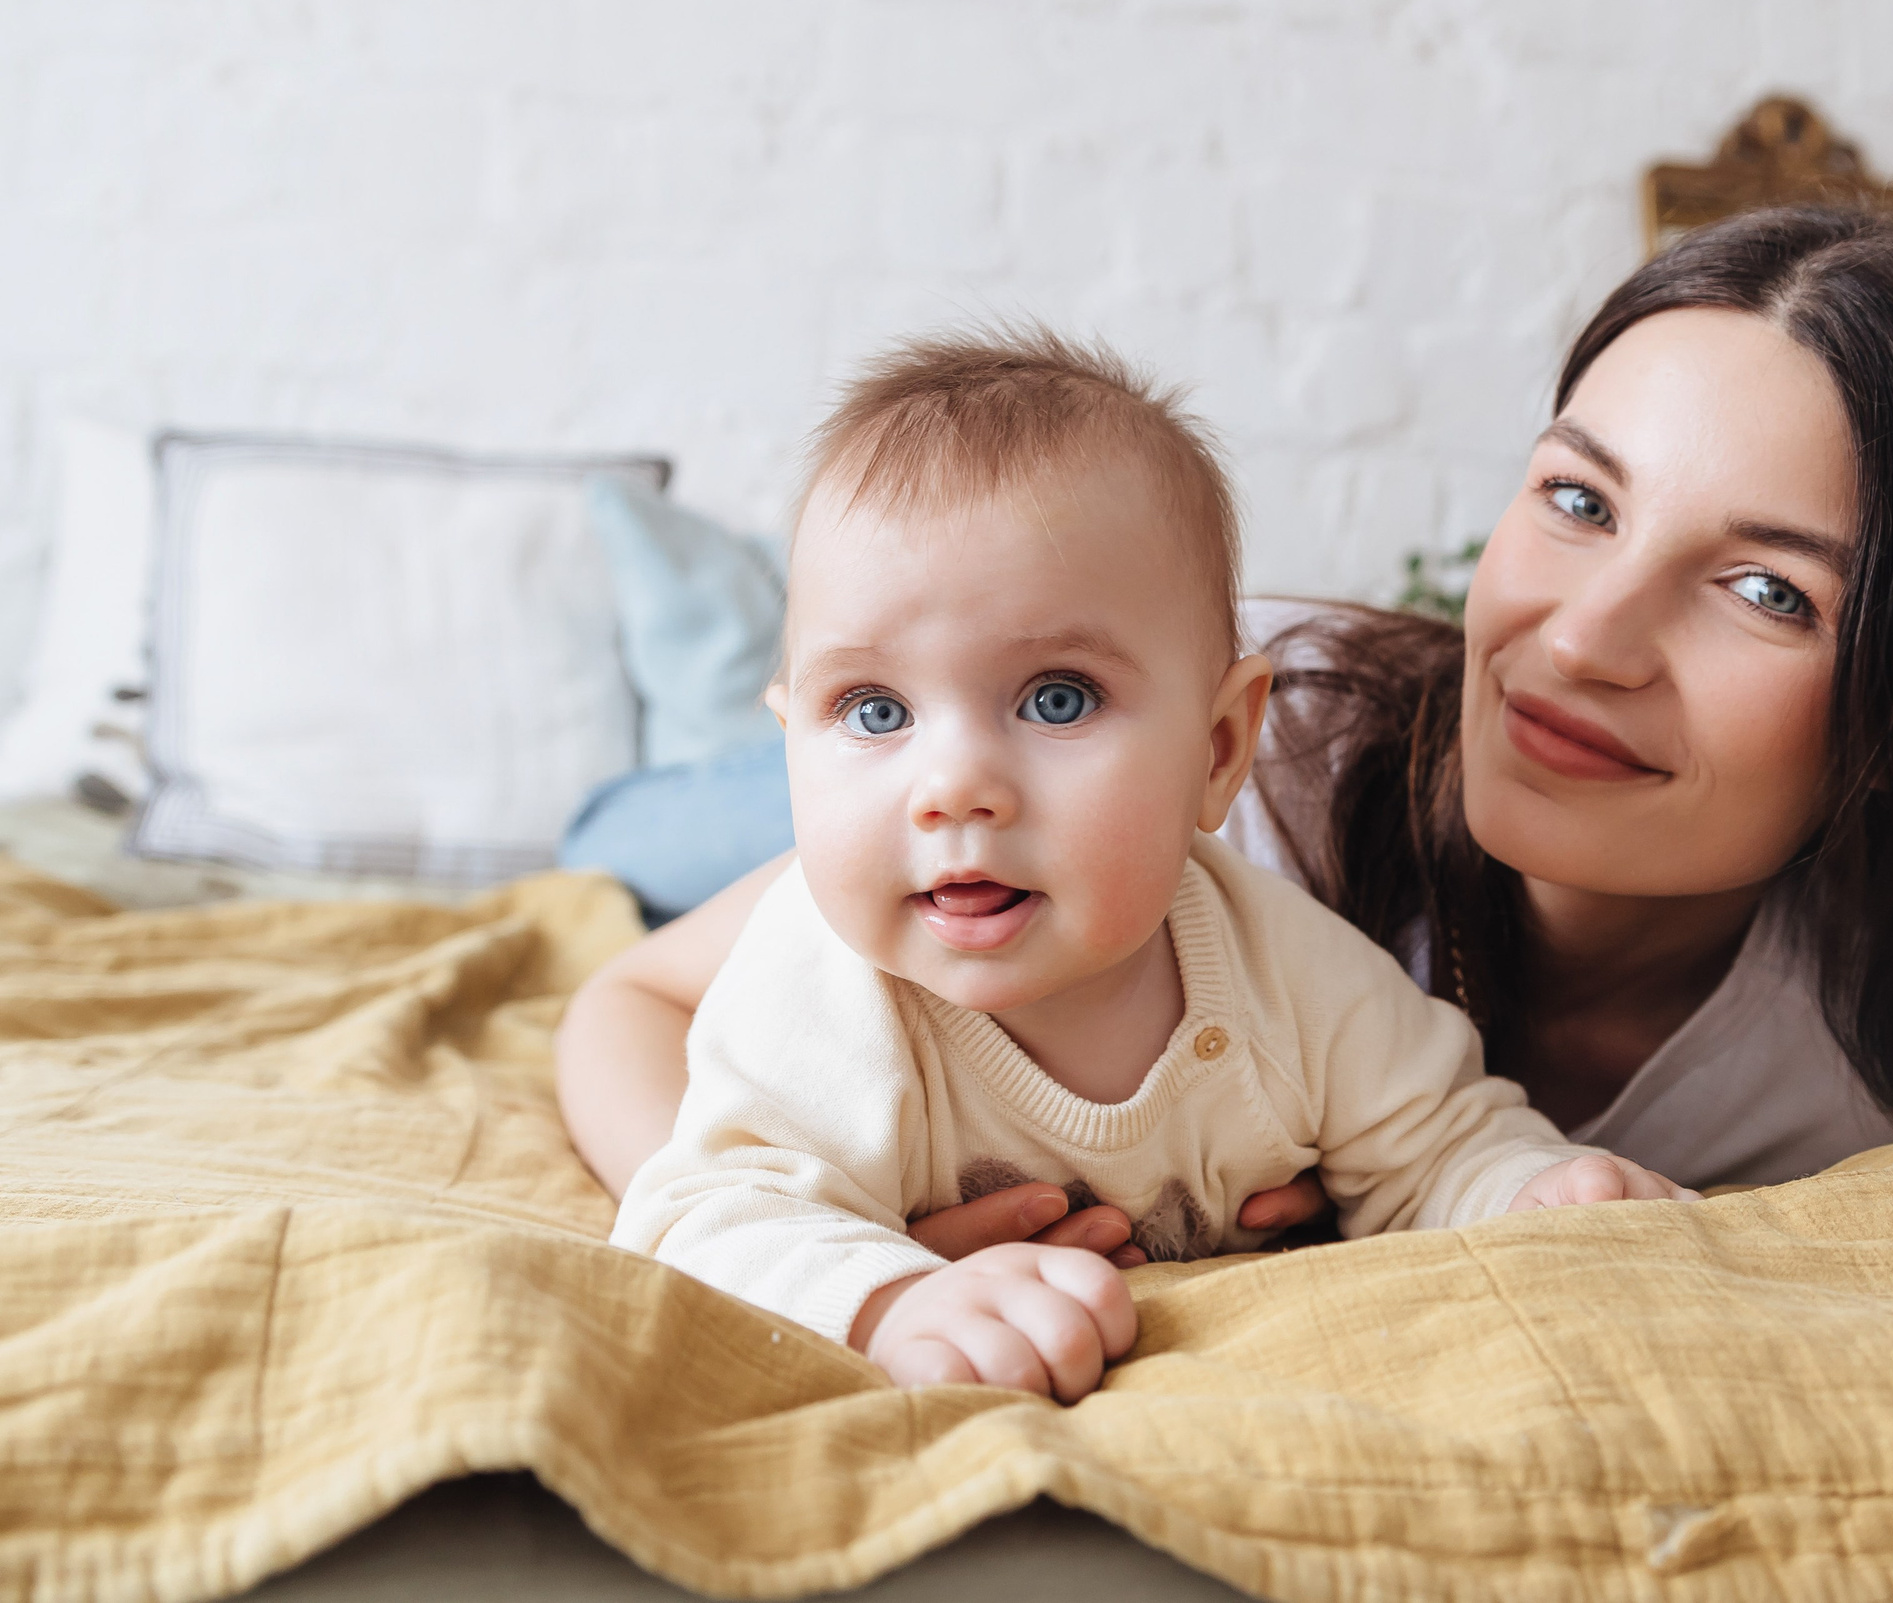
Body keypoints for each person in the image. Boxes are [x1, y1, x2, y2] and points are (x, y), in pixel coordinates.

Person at [560, 205, 1893, 1275]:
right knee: (670, 831)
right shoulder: (1241, 774)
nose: (1578, 640)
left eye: (1764, 590)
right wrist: (835, 1244)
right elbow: (635, 999)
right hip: (887, 829)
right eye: (1578, 500)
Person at [611, 329, 1687, 1403]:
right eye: (874, 711)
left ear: (1218, 750)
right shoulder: (822, 991)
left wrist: (1533, 1191)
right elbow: (705, 1212)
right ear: (791, 745)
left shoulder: (1289, 974)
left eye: (1056, 699)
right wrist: (891, 1301)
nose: (953, 787)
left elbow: (1439, 1146)